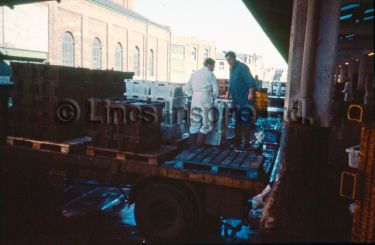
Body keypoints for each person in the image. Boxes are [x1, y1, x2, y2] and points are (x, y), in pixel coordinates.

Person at [224, 51, 256, 149]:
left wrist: (250, 93)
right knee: (237, 119)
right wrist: (228, 93)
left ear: (234, 58)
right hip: (236, 99)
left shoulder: (242, 67)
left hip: (245, 98)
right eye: (227, 60)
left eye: (229, 59)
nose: (228, 62)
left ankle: (246, 142)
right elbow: (231, 82)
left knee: (245, 119)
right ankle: (237, 138)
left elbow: (251, 81)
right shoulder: (231, 69)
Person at [185, 58, 218, 146]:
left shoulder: (194, 73)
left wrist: (192, 95)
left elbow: (187, 88)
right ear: (209, 65)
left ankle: (192, 148)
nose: (214, 68)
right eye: (213, 66)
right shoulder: (210, 74)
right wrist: (213, 97)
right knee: (206, 125)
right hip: (205, 98)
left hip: (195, 98)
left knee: (194, 123)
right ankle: (198, 148)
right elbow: (216, 91)